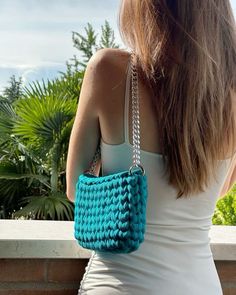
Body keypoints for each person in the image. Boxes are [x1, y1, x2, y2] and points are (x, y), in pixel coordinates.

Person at [66, 0, 236, 294]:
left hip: (119, 284)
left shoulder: (109, 70)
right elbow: (217, 190)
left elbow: (75, 189)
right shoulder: (231, 95)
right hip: (201, 284)